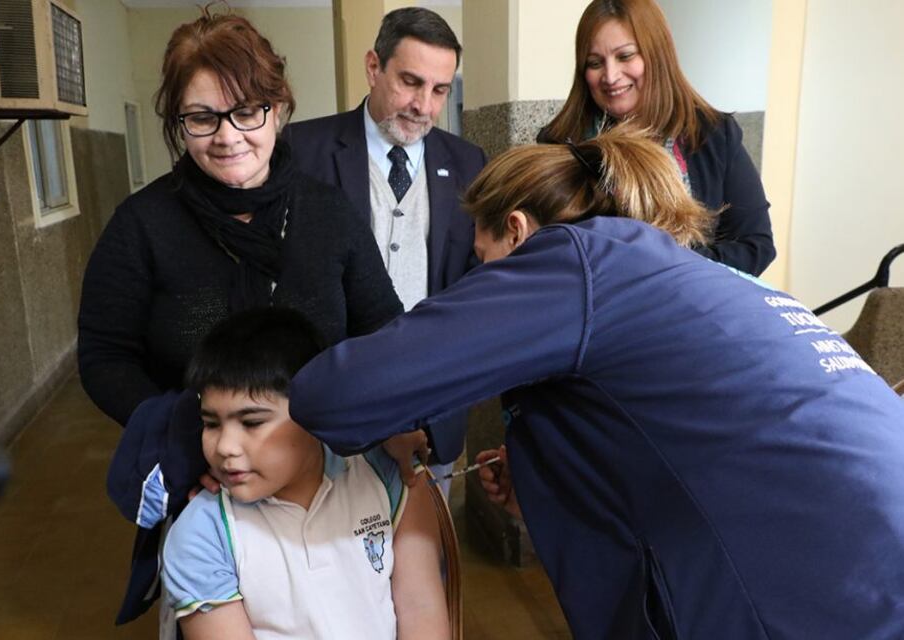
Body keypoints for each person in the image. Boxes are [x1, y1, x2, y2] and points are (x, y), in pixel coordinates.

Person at [287, 130, 904, 638]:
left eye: (482, 260)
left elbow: (336, 396)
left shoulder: (574, 259)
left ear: (518, 232)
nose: (479, 279)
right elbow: (686, 443)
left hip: (834, 580)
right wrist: (548, 475)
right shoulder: (676, 270)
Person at [77, 7, 402, 627]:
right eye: (202, 118)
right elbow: (103, 355)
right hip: (211, 485)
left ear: (278, 110)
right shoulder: (143, 226)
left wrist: (394, 427)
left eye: (247, 111)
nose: (228, 137)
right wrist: (185, 436)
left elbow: (382, 330)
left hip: (327, 481)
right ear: (177, 123)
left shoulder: (328, 214)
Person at [284, 7, 486, 490]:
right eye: (410, 82)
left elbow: (476, 281)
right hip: (328, 410)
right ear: (373, 67)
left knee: (424, 531)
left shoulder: (469, 163)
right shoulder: (301, 149)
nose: (424, 105)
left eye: (440, 90)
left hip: (430, 409)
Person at [161, 308, 448, 640]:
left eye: (252, 422)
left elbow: (421, 609)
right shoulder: (201, 535)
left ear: (315, 412)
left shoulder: (391, 475)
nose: (225, 446)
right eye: (211, 424)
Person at [539, 0, 775, 276]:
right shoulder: (559, 144)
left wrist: (666, 270)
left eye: (625, 56)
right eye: (595, 63)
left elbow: (755, 246)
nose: (610, 76)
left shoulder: (714, 133)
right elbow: (547, 250)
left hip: (693, 297)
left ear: (657, 55)